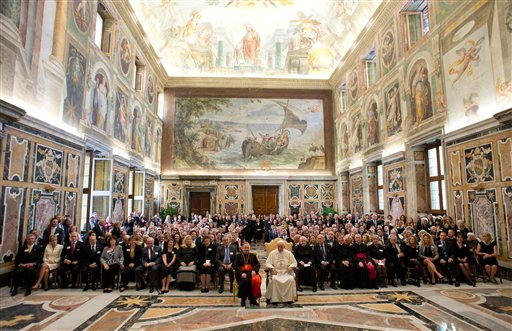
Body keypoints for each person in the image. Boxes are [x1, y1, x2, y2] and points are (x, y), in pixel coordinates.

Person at [265, 240, 297, 305]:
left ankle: (289, 299)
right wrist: (272, 267)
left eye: (281, 247)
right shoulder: (272, 253)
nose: (280, 248)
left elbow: (294, 262)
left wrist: (291, 267)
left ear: (284, 246)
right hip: (276, 272)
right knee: (274, 280)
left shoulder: (289, 253)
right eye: (278, 246)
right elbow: (267, 263)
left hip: (286, 272)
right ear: (277, 246)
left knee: (290, 279)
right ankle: (275, 299)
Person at [234, 242, 261, 307]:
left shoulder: (253, 255)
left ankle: (253, 299)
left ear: (250, 248)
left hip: (251, 273)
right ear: (242, 248)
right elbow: (235, 266)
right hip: (242, 274)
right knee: (245, 281)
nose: (246, 249)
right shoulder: (238, 256)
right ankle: (243, 299)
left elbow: (258, 264)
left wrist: (254, 270)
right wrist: (241, 273)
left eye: (247, 248)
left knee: (255, 281)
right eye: (245, 248)